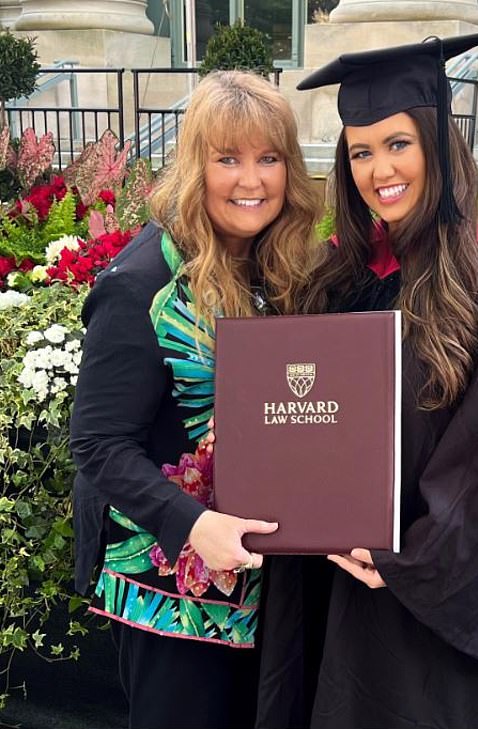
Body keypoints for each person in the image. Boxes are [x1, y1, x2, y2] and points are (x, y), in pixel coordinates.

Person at [256, 32, 478, 729]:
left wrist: (408, 556)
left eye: (397, 143)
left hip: (417, 598)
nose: (379, 169)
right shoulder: (338, 275)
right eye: (361, 151)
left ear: (438, 142)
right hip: (321, 574)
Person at [70, 70, 322, 729]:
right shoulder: (142, 282)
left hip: (265, 594)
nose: (252, 180)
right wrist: (192, 524)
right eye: (228, 159)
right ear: (194, 165)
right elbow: (96, 443)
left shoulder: (278, 266)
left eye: (268, 158)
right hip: (170, 603)